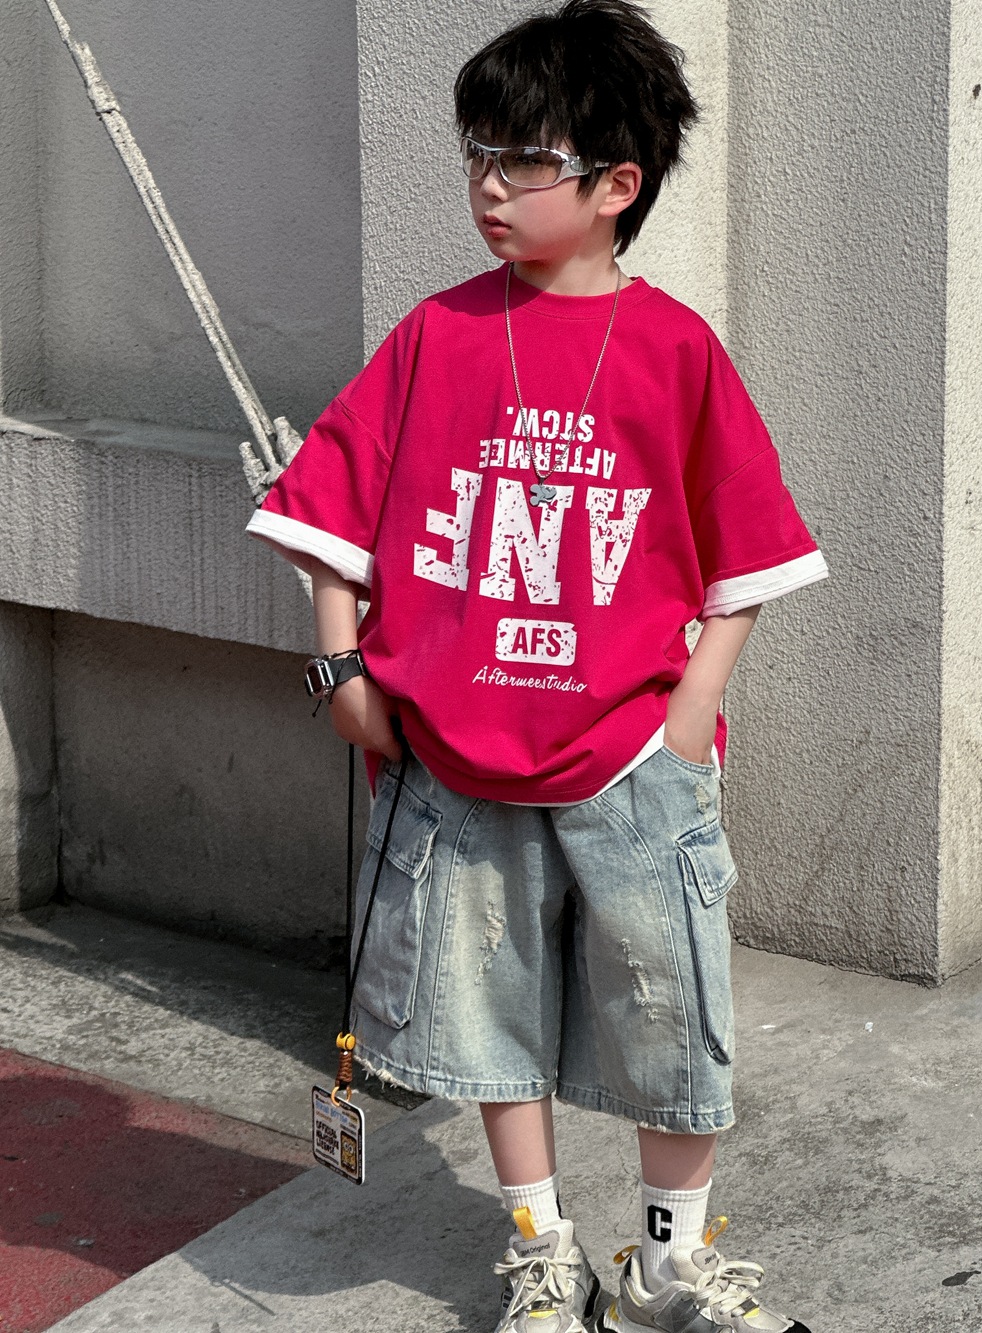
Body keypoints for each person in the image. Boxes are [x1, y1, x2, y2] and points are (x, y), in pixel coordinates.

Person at [248, 2, 827, 1328]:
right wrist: (340, 671)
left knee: (674, 1014)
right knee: (487, 1014)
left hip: (631, 761)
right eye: (478, 156)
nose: (490, 188)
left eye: (524, 160)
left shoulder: (675, 350)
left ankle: (667, 1269)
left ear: (618, 184)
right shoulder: (439, 335)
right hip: (455, 761)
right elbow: (329, 508)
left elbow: (750, 554)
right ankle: (543, 1249)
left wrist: (688, 712)